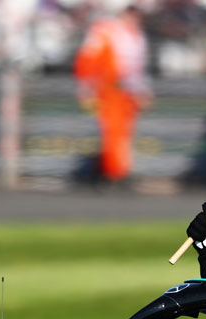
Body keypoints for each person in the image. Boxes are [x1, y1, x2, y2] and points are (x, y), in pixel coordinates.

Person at [74, 3, 153, 185]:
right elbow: (88, 58)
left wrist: (143, 90)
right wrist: (86, 87)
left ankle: (118, 170)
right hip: (109, 89)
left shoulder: (137, 36)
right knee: (112, 132)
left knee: (123, 134)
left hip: (128, 92)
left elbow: (138, 69)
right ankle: (112, 172)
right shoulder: (106, 30)